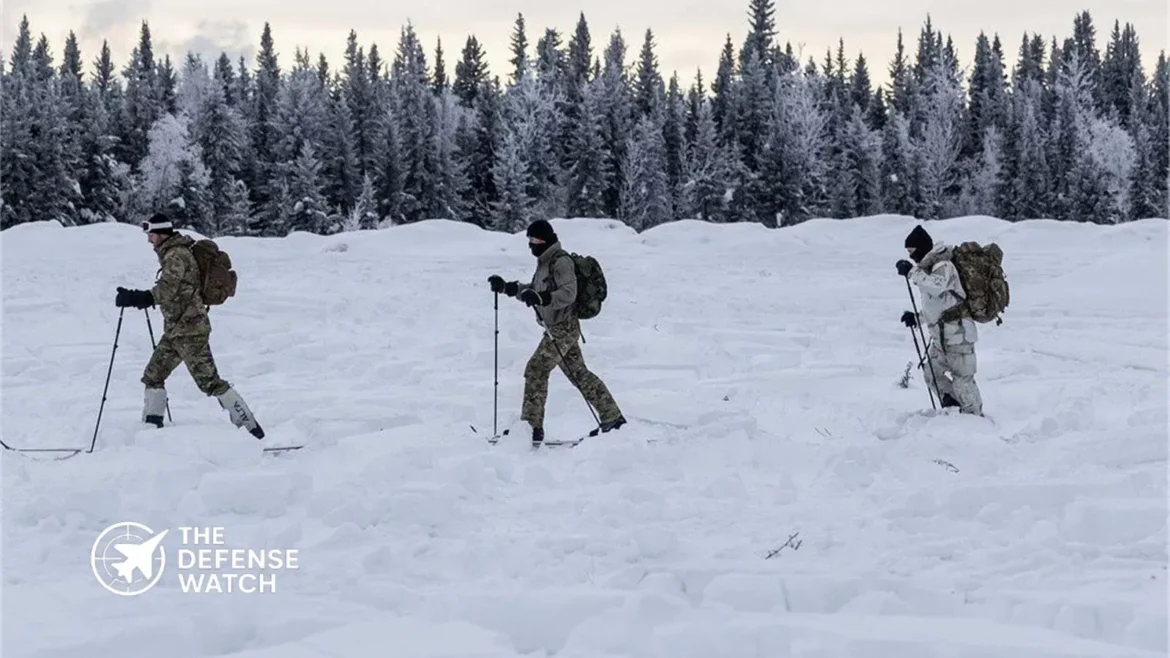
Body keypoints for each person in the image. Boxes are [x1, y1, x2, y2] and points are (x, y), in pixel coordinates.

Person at [114, 213, 265, 438]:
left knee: (210, 382)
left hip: (190, 331)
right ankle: (152, 428)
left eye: (152, 235)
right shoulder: (173, 252)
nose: (149, 240)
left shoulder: (176, 255)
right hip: (177, 330)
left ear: (162, 234)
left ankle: (250, 429)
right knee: (153, 375)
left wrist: (138, 298)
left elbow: (167, 290)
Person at [487, 219, 626, 445]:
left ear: (543, 240)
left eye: (533, 240)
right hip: (556, 328)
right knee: (579, 374)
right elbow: (534, 292)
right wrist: (508, 287)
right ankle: (613, 418)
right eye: (529, 240)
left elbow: (569, 294)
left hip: (564, 328)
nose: (530, 245)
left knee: (536, 369)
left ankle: (531, 428)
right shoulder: (544, 262)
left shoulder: (560, 262)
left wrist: (544, 298)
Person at [896, 224, 983, 416]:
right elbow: (937, 305)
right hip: (941, 339)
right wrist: (917, 318)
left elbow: (937, 287)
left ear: (921, 248)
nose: (911, 256)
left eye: (912, 251)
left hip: (959, 334)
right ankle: (953, 408)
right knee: (931, 375)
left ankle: (976, 419)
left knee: (963, 381)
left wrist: (912, 272)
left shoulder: (944, 266)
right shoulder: (927, 270)